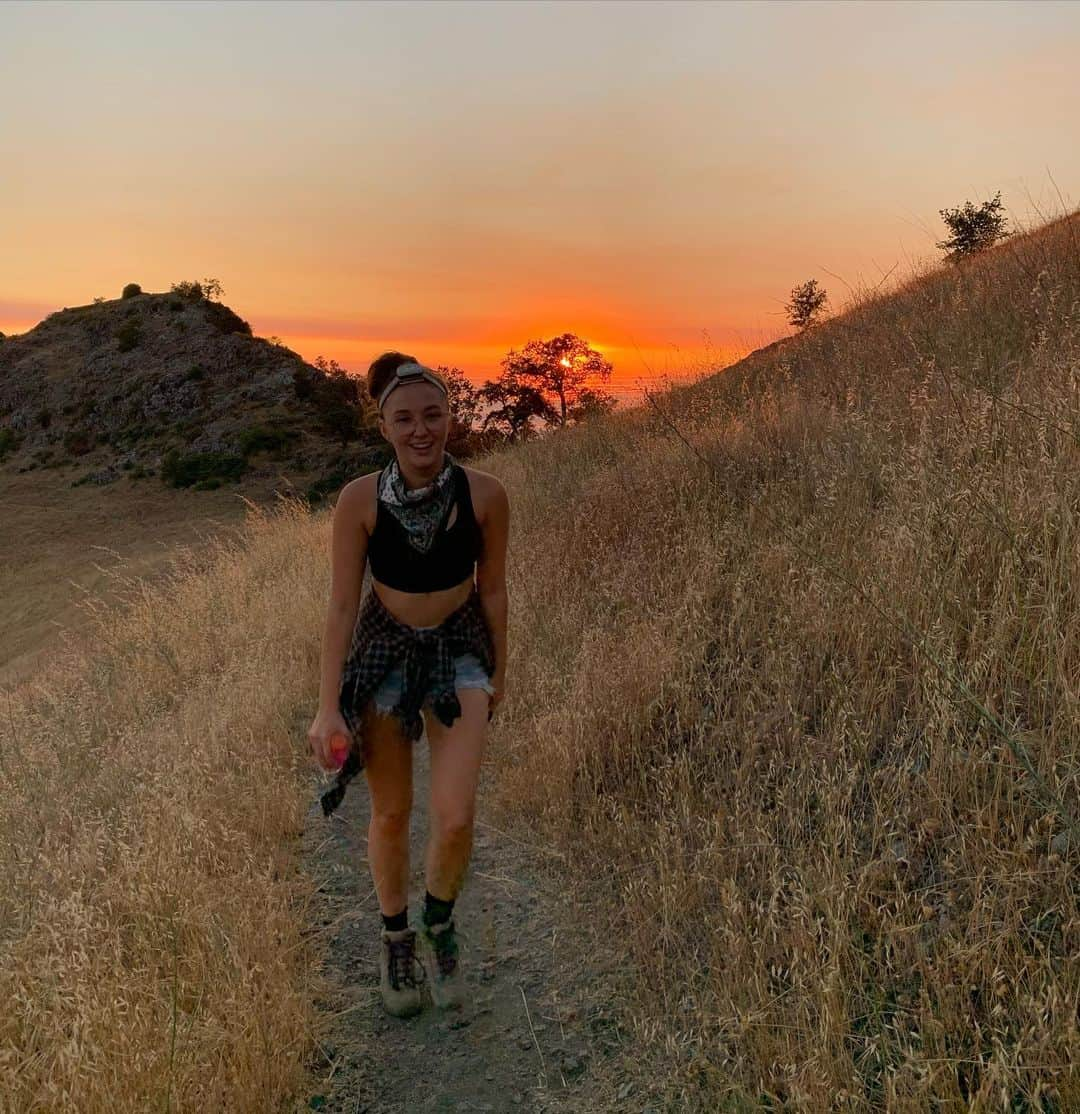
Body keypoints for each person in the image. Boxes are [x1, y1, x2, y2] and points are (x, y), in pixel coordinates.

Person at [306, 351, 509, 1019]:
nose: (421, 430)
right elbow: (341, 605)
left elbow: (495, 591)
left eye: (433, 414)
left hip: (460, 653)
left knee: (455, 817)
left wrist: (499, 673)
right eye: (405, 419)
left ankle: (439, 924)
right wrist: (328, 706)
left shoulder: (485, 495)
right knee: (392, 812)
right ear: (384, 426)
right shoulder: (359, 500)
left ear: (452, 416)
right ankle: (397, 939)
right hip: (385, 654)